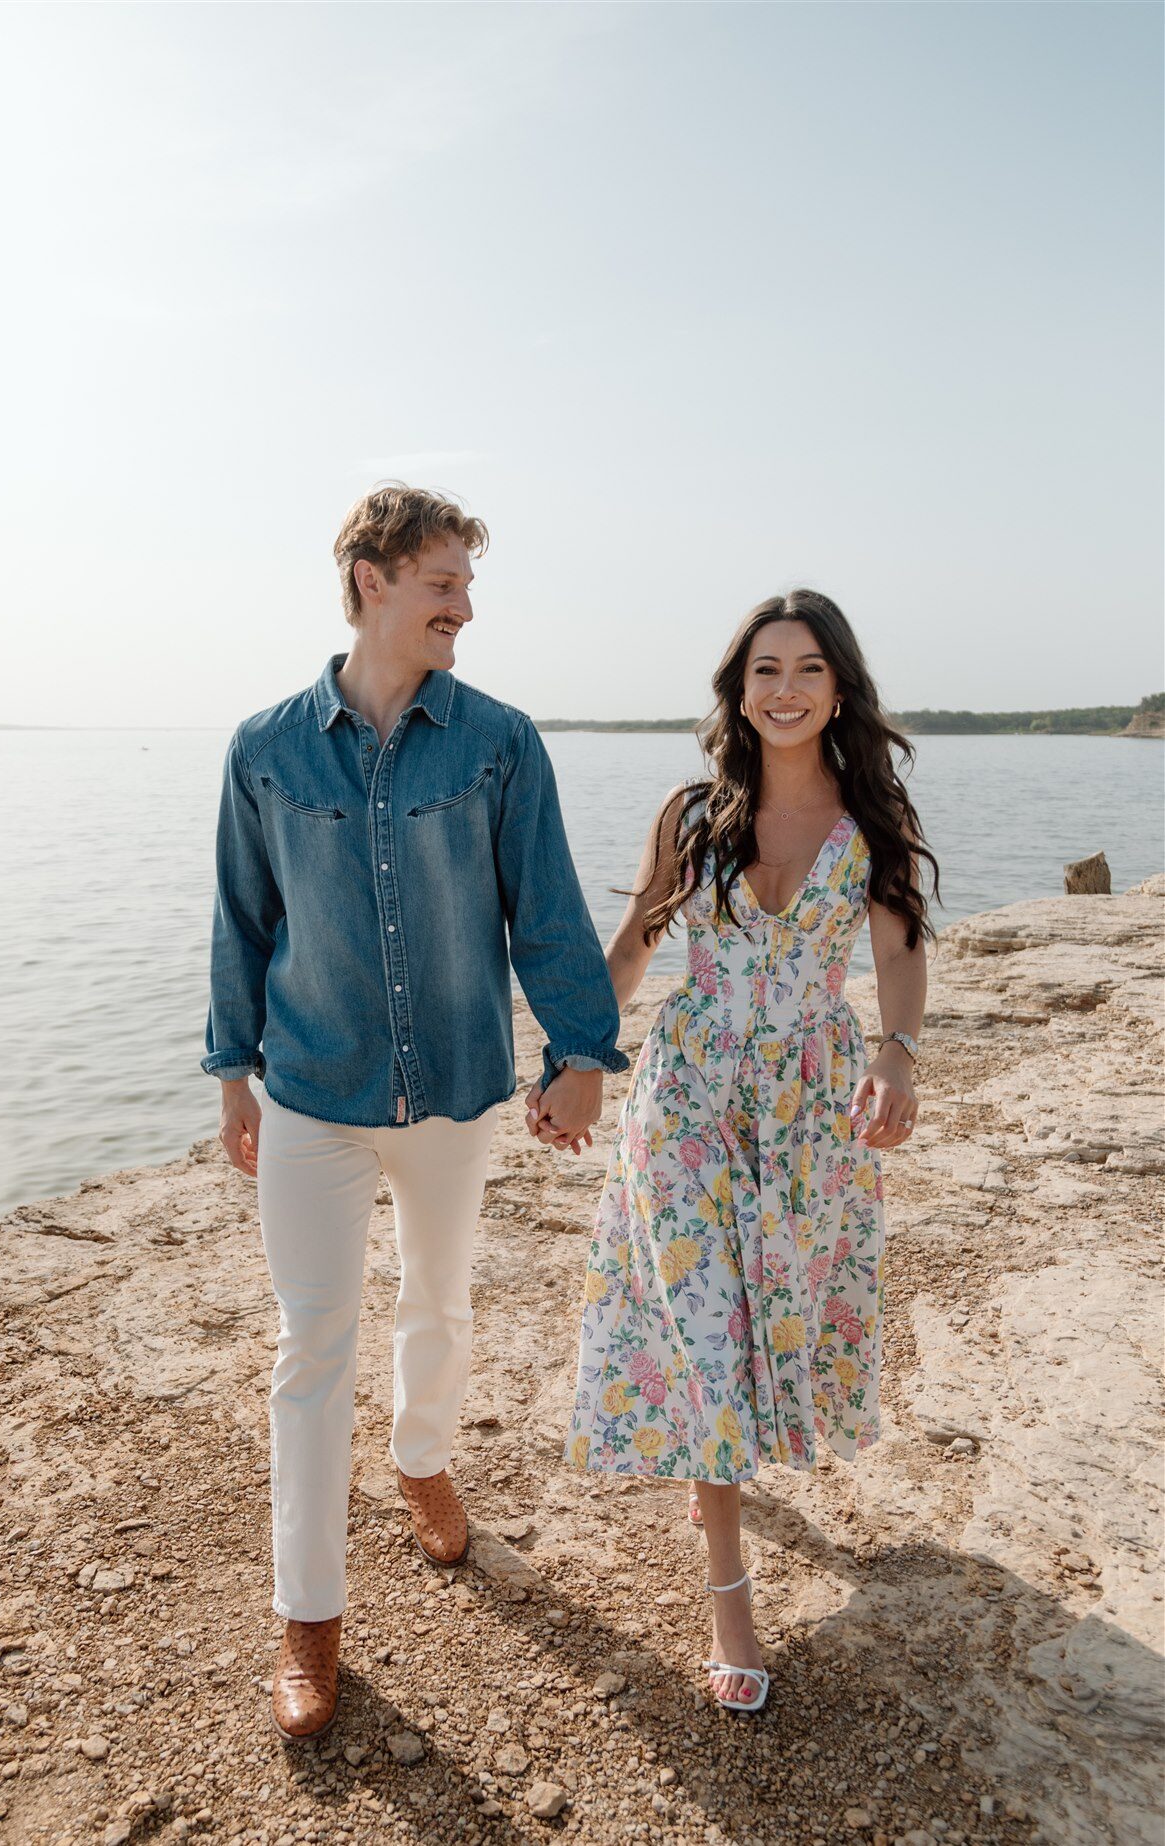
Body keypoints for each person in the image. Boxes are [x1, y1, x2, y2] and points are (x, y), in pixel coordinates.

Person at [202, 484, 628, 1741]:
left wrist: (582, 1050)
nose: (465, 606)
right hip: (312, 1092)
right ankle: (309, 1617)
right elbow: (241, 916)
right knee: (311, 1344)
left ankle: (424, 1458)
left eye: (467, 586)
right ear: (371, 580)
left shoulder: (498, 741)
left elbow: (543, 906)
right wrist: (234, 1072)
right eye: (444, 582)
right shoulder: (264, 747)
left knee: (440, 1300)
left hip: (451, 1085)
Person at [550, 588, 936, 1714]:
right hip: (685, 1101)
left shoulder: (872, 819)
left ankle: (714, 1477)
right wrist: (574, 1055)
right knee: (707, 1327)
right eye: (764, 669)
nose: (784, 689)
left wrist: (897, 1055)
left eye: (807, 668)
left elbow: (902, 955)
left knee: (777, 1316)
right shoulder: (692, 811)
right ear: (739, 688)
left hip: (810, 1110)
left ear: (840, 687)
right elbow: (630, 949)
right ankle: (730, 1598)